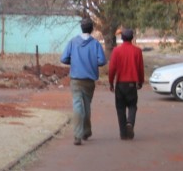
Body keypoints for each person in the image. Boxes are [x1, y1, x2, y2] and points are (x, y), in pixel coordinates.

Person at [60, 17, 107, 145]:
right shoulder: (95, 44)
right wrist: (92, 62)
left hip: (75, 79)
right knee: (86, 106)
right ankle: (86, 131)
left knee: (77, 105)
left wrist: (73, 61)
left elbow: (63, 59)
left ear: (81, 28)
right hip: (89, 80)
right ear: (91, 29)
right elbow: (102, 61)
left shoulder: (73, 42)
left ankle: (77, 135)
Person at [107, 28, 145, 140]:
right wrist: (140, 81)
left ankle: (123, 133)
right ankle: (130, 123)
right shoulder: (137, 51)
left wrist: (110, 83)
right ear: (132, 38)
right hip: (132, 84)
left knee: (120, 108)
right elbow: (140, 68)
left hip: (120, 84)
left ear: (122, 38)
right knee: (132, 106)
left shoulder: (116, 51)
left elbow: (112, 68)